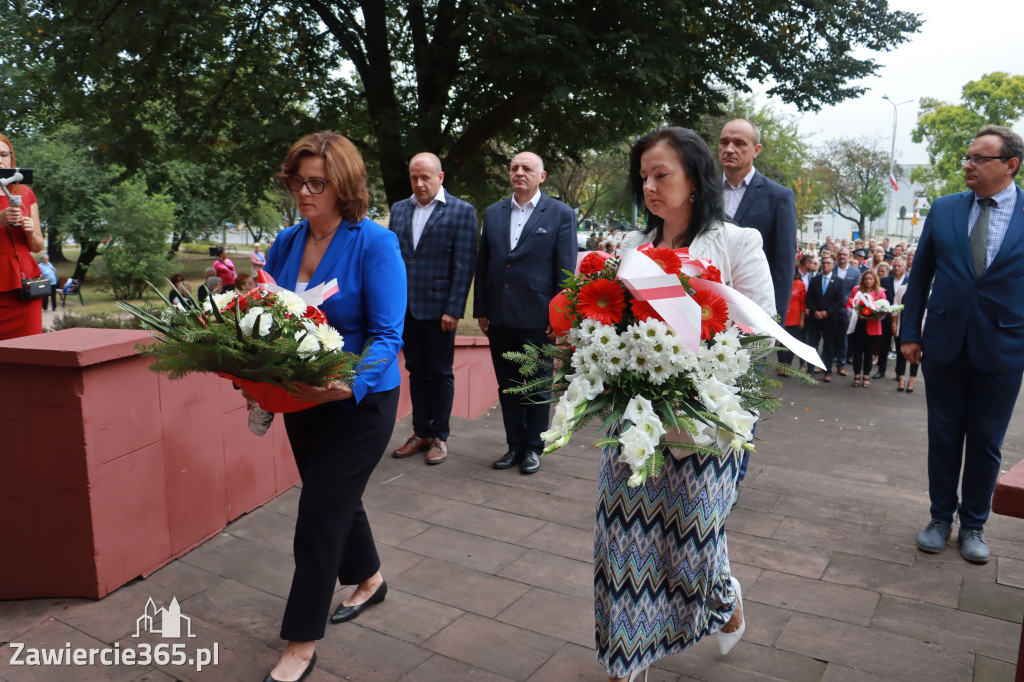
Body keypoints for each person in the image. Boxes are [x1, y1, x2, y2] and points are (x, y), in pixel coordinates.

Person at [602, 127, 774, 682]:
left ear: (695, 180)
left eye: (662, 174)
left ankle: (724, 600)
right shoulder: (632, 247)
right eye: (644, 176)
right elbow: (610, 323)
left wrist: (696, 352)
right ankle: (627, 658)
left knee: (694, 541)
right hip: (634, 422)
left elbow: (761, 334)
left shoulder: (737, 243)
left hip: (706, 423)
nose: (649, 185)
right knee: (623, 541)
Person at [259, 131, 406, 682]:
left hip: (361, 401)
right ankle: (369, 578)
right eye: (297, 180)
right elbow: (272, 321)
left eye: (317, 182)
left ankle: (301, 641)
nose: (303, 191)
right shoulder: (286, 242)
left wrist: (349, 386)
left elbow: (388, 335)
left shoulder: (374, 243)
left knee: (320, 511)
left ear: (344, 186)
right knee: (337, 497)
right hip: (302, 399)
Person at [904, 124, 1024, 565]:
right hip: (945, 343)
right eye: (967, 158)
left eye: (979, 159)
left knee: (987, 441)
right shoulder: (946, 209)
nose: (968, 165)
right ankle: (940, 518)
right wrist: (910, 334)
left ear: (1010, 165)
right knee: (944, 435)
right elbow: (920, 276)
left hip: (1005, 348)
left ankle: (974, 524)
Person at [474, 151, 576, 475]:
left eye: (527, 168)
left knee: (537, 385)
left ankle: (533, 447)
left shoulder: (559, 214)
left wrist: (559, 318)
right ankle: (514, 446)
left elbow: (565, 271)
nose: (520, 172)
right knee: (507, 387)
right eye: (515, 167)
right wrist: (481, 309)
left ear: (541, 176)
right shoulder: (493, 213)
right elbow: (485, 264)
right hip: (499, 317)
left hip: (538, 318)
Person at [389, 152, 478, 466]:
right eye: (414, 177)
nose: (419, 183)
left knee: (440, 373)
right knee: (415, 371)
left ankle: (440, 436)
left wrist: (453, 308)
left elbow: (464, 264)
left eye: (425, 177)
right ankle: (420, 432)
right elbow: (394, 262)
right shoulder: (399, 210)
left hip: (441, 311)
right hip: (407, 309)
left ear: (441, 177)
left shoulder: (461, 211)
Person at [718, 119, 797, 322]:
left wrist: (776, 321)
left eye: (739, 143)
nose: (729, 149)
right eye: (724, 142)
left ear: (756, 150)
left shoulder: (779, 197)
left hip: (753, 311)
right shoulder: (702, 192)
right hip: (709, 308)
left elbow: (783, 266)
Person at [0, 133, 44, 341]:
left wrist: (29, 231)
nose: (0, 160)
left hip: (24, 287)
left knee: (29, 350)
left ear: (11, 158)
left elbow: (37, 247)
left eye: (3, 154)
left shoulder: (26, 193)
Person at [805, 254, 842, 381]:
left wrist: (827, 312)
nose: (825, 265)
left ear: (833, 265)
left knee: (828, 345)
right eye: (824, 263)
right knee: (812, 344)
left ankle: (828, 370)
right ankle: (810, 370)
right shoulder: (815, 280)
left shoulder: (838, 281)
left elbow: (840, 301)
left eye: (828, 263)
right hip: (815, 318)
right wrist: (815, 311)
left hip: (830, 318)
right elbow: (809, 298)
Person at [845, 269, 886, 387]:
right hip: (858, 324)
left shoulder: (880, 292)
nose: (868, 281)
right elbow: (849, 303)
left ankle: (866, 375)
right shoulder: (856, 290)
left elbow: (884, 308)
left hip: (872, 325)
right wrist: (852, 311)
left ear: (875, 280)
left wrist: (877, 313)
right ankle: (856, 374)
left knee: (869, 352)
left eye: (870, 279)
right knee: (857, 351)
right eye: (866, 279)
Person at [876, 257, 908, 380]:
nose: (896, 268)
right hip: (886, 318)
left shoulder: (909, 281)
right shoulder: (884, 280)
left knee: (901, 348)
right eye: (894, 266)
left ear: (905, 268)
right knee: (883, 346)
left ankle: (899, 373)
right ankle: (881, 370)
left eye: (899, 266)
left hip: (902, 320)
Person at [831, 247, 860, 377]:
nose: (842, 256)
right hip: (831, 308)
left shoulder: (855, 272)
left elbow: (855, 290)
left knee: (843, 338)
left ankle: (841, 364)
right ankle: (828, 362)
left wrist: (843, 301)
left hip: (845, 309)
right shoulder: (831, 269)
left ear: (850, 256)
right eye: (840, 254)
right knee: (830, 337)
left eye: (844, 254)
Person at [776, 266, 806, 373]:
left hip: (795, 318)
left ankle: (787, 366)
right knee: (781, 343)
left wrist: (802, 319)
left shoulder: (800, 284)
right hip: (782, 318)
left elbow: (802, 304)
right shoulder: (779, 282)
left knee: (791, 344)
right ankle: (781, 366)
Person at [892, 280, 918, 393]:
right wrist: (893, 323)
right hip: (902, 325)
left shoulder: (927, 290)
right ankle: (901, 380)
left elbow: (928, 311)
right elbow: (895, 307)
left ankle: (911, 381)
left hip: (917, 328)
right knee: (900, 354)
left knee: (916, 356)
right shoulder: (902, 289)